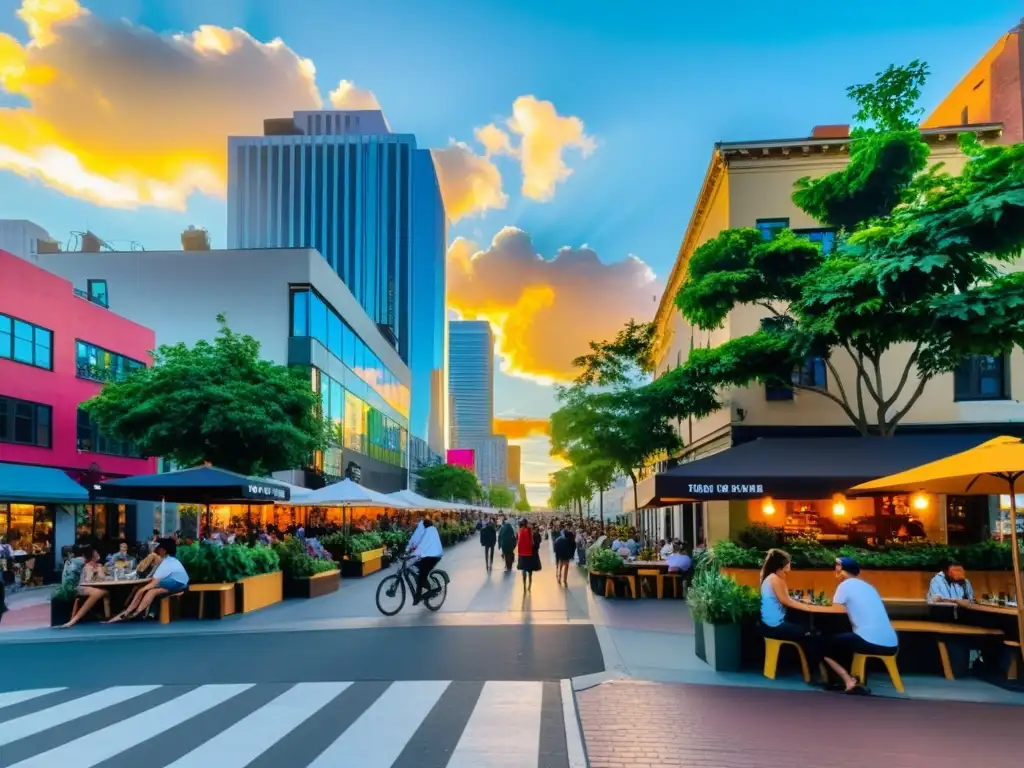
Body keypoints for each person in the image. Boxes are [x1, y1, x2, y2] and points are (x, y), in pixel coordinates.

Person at [816, 557, 899, 694]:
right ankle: (848, 678)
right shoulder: (869, 586)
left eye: (837, 567)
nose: (835, 570)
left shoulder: (845, 585)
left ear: (843, 571)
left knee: (820, 643)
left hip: (869, 642)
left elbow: (835, 609)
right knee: (842, 640)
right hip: (891, 644)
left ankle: (848, 681)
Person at [105, 539, 189, 623]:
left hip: (179, 584)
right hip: (181, 583)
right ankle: (134, 612)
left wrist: (142, 590)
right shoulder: (171, 560)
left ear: (163, 550)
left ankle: (134, 613)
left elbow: (153, 583)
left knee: (149, 590)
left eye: (159, 549)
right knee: (148, 590)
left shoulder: (166, 563)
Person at [59, 546, 112, 628]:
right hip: (73, 588)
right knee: (97, 593)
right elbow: (87, 579)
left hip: (71, 586)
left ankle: (107, 617)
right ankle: (74, 620)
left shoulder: (75, 561)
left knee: (105, 592)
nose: (96, 554)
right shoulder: (82, 562)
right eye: (94, 553)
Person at [410, 519, 443, 605]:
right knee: (417, 568)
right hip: (429, 555)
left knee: (422, 573)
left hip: (433, 556)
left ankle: (419, 596)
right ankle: (424, 585)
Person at [517, 520, 537, 590]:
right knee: (530, 570)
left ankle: (524, 585)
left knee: (524, 569)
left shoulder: (520, 530)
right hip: (529, 553)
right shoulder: (529, 530)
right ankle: (529, 586)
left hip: (522, 553)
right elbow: (532, 543)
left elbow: (518, 541)